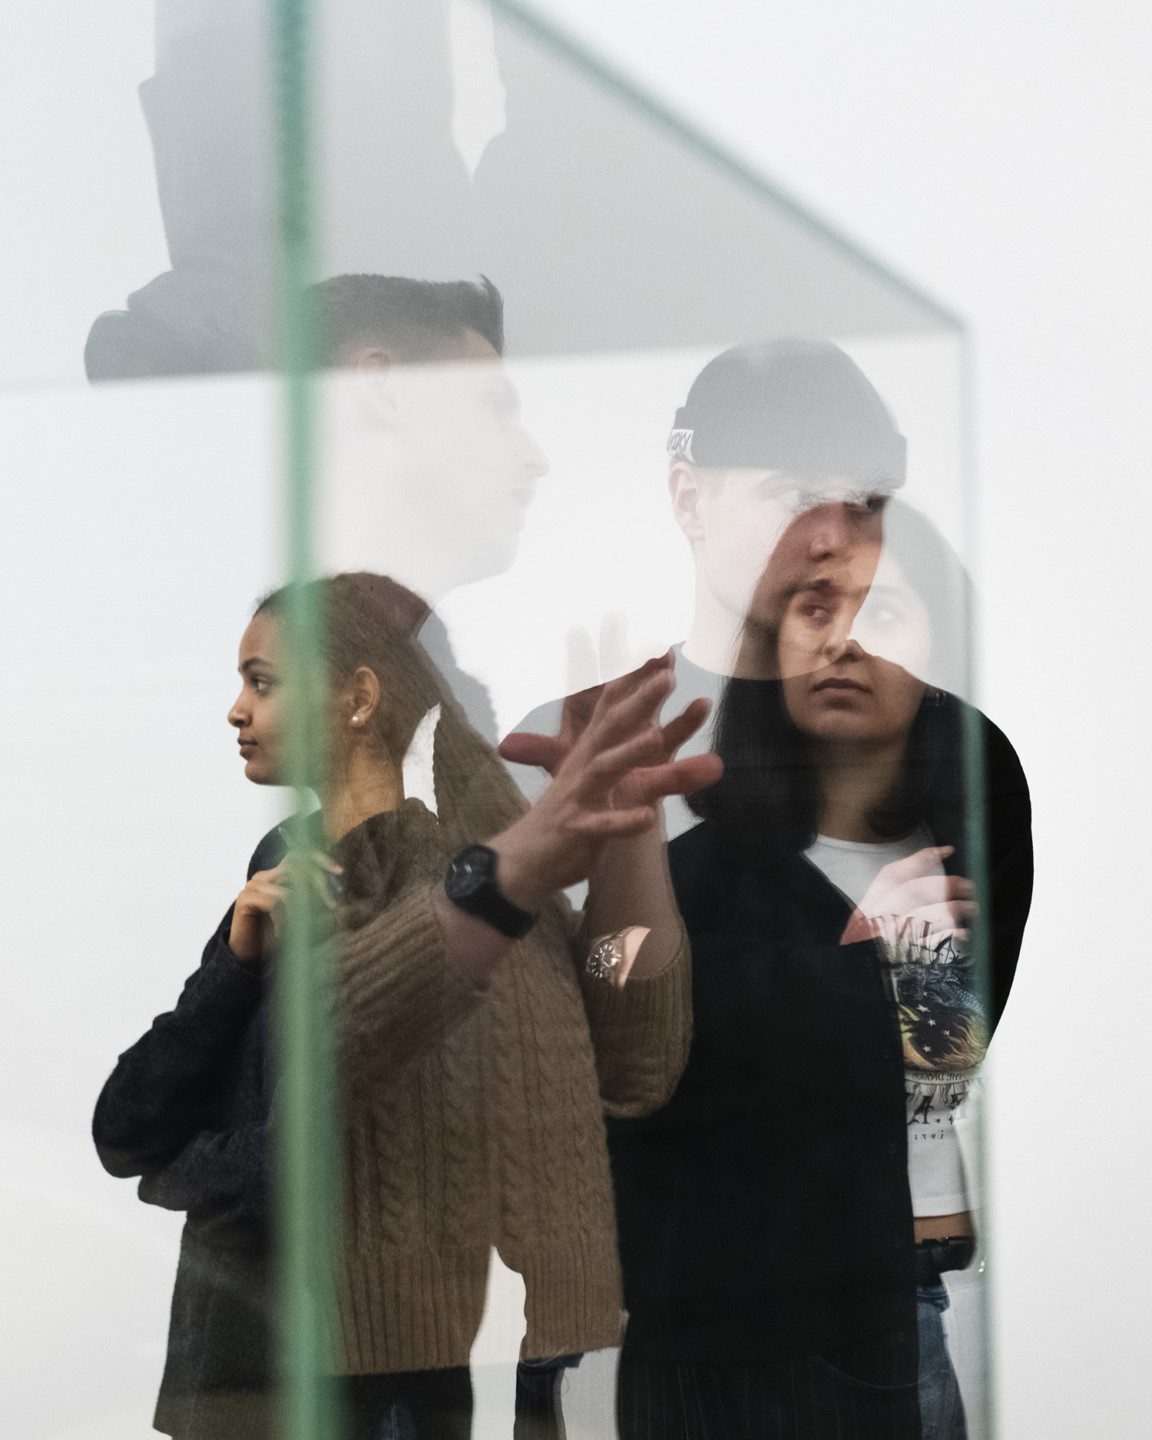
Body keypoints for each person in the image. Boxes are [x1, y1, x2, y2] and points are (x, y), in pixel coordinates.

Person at [92, 570, 720, 1439]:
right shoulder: (290, 860)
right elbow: (126, 1126)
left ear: (358, 698)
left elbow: (629, 1053)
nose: (237, 710)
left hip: (385, 1378)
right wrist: (235, 967)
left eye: (262, 682)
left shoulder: (467, 877)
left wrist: (634, 844)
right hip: (254, 1363)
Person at [605, 506, 1032, 1440]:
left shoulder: (978, 829)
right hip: (729, 1329)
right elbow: (649, 1071)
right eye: (812, 609)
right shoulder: (698, 870)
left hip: (928, 1290)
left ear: (942, 650)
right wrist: (854, 951)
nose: (840, 641)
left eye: (882, 615)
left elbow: (945, 1067)